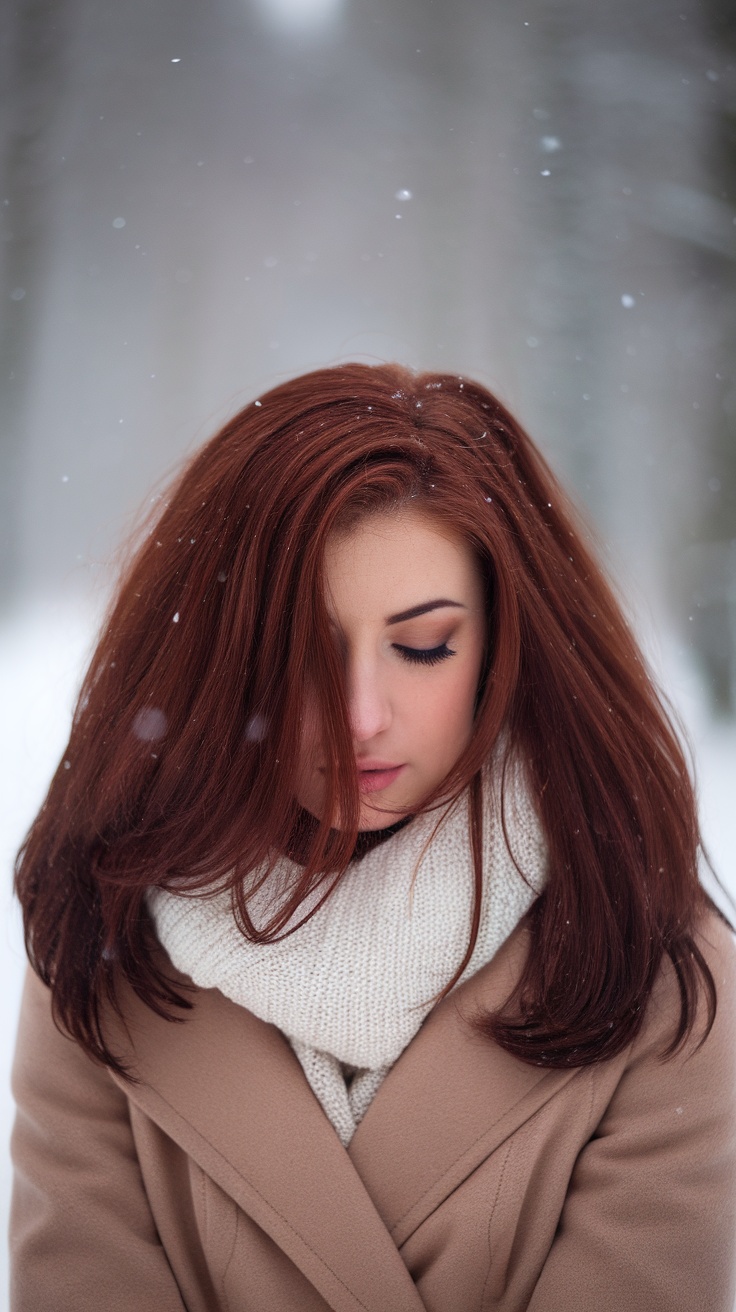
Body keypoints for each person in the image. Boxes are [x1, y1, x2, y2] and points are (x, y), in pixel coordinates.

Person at [10, 362, 736, 1312]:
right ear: (221, 659)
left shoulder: (655, 979)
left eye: (424, 645)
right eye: (301, 652)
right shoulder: (102, 950)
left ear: (509, 644)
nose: (360, 716)